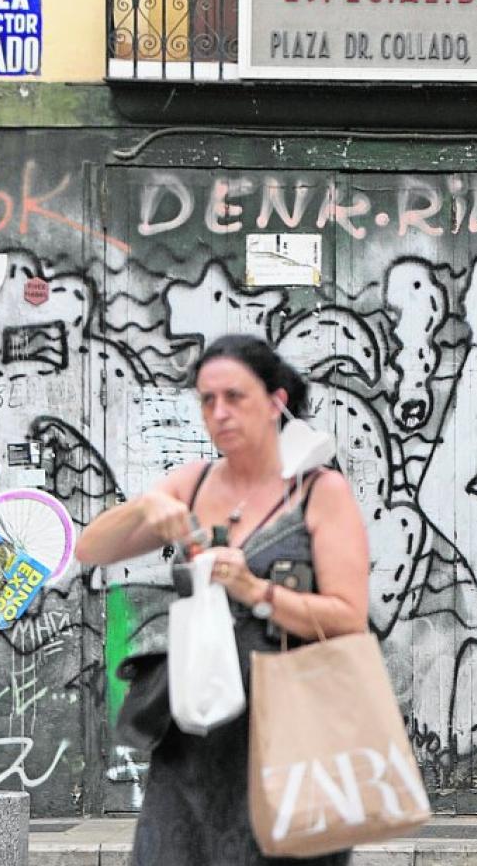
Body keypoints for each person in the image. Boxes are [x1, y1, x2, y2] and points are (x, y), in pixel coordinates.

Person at [75, 334, 371, 866]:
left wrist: (256, 591)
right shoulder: (194, 482)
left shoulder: (319, 492)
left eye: (235, 397)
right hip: (195, 729)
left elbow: (348, 619)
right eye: (207, 400)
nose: (220, 413)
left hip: (291, 734)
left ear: (276, 401)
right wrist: (146, 508)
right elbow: (91, 547)